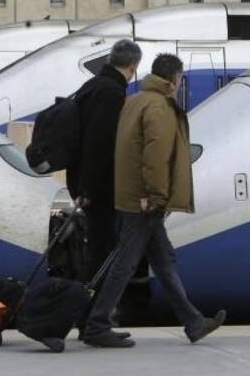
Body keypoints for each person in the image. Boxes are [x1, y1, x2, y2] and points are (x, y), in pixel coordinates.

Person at [82, 54, 226, 348]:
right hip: (144, 199)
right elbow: (155, 156)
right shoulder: (159, 107)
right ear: (174, 79)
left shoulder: (134, 101)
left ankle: (194, 322)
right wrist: (156, 195)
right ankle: (96, 324)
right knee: (125, 263)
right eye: (180, 78)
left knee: (163, 261)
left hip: (130, 194)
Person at [73, 39, 141, 282]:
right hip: (101, 188)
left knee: (98, 247)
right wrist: (88, 188)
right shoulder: (112, 93)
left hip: (86, 182)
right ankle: (91, 309)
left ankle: (93, 308)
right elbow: (99, 144)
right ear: (133, 66)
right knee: (101, 250)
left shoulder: (91, 86)